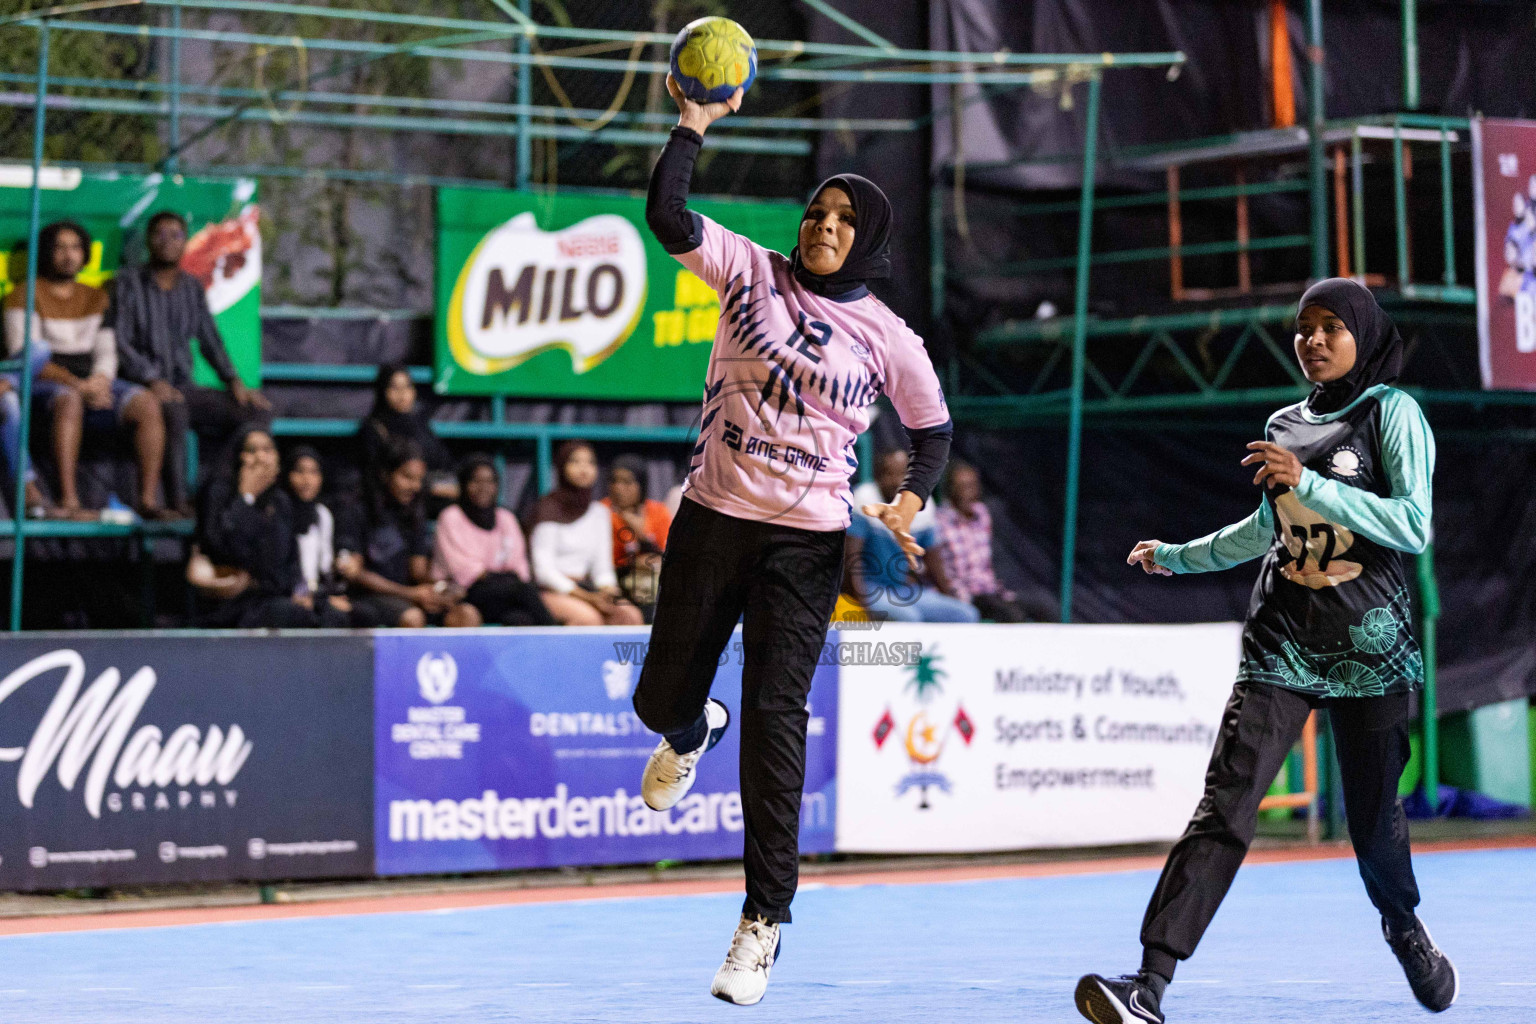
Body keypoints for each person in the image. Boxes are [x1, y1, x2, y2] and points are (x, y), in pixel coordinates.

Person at [629, 76, 952, 1005]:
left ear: (870, 241)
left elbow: (932, 433)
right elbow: (668, 214)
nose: (826, 224)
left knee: (778, 720)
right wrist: (693, 123)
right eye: (819, 210)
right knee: (659, 699)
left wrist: (909, 501)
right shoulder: (749, 269)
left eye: (846, 219)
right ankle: (689, 732)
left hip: (805, 546)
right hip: (713, 518)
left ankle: (762, 923)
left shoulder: (889, 337)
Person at [1074, 279, 1456, 1024]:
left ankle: (1403, 923)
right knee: (1226, 805)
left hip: (1369, 646)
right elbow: (1265, 531)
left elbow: (1413, 524)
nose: (1312, 340)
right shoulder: (1282, 424)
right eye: (1302, 328)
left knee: (1374, 820)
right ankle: (1148, 985)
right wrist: (1177, 556)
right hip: (1281, 641)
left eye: (1329, 328)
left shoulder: (1392, 413)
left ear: (1365, 336)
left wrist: (1311, 481)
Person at [4, 220, 170, 519]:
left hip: (92, 383)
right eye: (60, 248)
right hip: (47, 382)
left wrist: (101, 382)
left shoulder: (95, 296)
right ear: (45, 253)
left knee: (146, 403)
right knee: (68, 398)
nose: (69, 255)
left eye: (76, 248)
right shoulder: (22, 295)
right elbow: (26, 356)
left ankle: (148, 502)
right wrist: (79, 386)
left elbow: (107, 350)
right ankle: (70, 501)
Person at [113, 210, 271, 512]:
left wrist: (233, 380)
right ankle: (178, 501)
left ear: (185, 241)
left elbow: (210, 340)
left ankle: (221, 496)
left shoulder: (191, 287)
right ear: (148, 240)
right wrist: (152, 380)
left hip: (184, 385)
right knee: (174, 408)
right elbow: (120, 343)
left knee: (255, 412)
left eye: (176, 235)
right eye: (161, 234)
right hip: (142, 388)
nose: (168, 242)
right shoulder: (128, 284)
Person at [193, 426, 345, 628]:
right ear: (238, 455)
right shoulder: (218, 493)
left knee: (334, 616)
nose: (261, 458)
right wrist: (246, 497)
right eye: (252, 450)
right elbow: (224, 548)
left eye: (267, 450)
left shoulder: (280, 500)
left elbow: (292, 558)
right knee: (293, 615)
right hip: (236, 601)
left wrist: (301, 593)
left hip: (278, 596)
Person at [336, 438, 480, 628]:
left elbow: (418, 570)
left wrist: (441, 588)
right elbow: (355, 573)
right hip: (368, 597)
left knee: (466, 614)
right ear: (385, 474)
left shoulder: (415, 511)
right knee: (412, 617)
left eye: (419, 479)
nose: (415, 486)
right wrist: (410, 593)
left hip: (408, 595)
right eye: (407, 477)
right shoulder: (357, 509)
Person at [846, 449, 978, 623]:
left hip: (905, 591)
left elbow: (933, 561)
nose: (897, 481)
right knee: (909, 617)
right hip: (871, 590)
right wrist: (863, 606)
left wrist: (949, 596)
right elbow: (851, 561)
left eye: (903, 474)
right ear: (877, 477)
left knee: (965, 614)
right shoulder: (865, 500)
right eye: (889, 474)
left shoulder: (921, 504)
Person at [527, 441, 644, 626]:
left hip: (588, 588)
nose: (584, 468)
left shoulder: (599, 512)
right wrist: (587, 597)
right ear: (562, 467)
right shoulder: (547, 508)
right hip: (552, 591)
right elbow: (543, 571)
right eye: (575, 461)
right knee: (589, 619)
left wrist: (608, 591)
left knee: (629, 615)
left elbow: (602, 568)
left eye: (590, 462)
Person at [433, 454, 554, 627]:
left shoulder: (506, 517)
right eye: (476, 481)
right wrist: (504, 576)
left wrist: (500, 576)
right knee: (524, 591)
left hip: (503, 594)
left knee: (520, 620)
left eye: (490, 481)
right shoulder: (451, 517)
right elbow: (464, 571)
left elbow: (519, 567)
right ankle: (557, 639)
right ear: (464, 484)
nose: (484, 488)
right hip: (462, 593)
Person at [934, 460, 1033, 622]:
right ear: (950, 490)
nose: (968, 493)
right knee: (1012, 616)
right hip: (965, 594)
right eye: (962, 487)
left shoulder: (982, 515)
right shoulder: (940, 521)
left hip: (991, 589)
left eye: (972, 486)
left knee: (1042, 607)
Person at [357, 362, 456, 501]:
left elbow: (443, 463)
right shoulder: (374, 428)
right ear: (382, 391)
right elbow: (374, 475)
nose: (402, 394)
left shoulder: (421, 425)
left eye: (407, 386)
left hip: (429, 500)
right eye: (394, 387)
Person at [285, 445, 351, 623]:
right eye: (300, 471)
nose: (307, 480)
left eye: (314, 472)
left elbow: (324, 567)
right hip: (289, 594)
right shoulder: (280, 513)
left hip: (316, 594)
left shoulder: (322, 515)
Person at [602, 454, 673, 611]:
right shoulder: (601, 511)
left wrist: (641, 535)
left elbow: (665, 554)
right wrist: (633, 563)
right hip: (616, 578)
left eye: (627, 482)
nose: (618, 488)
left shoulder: (658, 511)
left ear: (641, 484)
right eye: (614, 481)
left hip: (653, 574)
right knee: (645, 583)